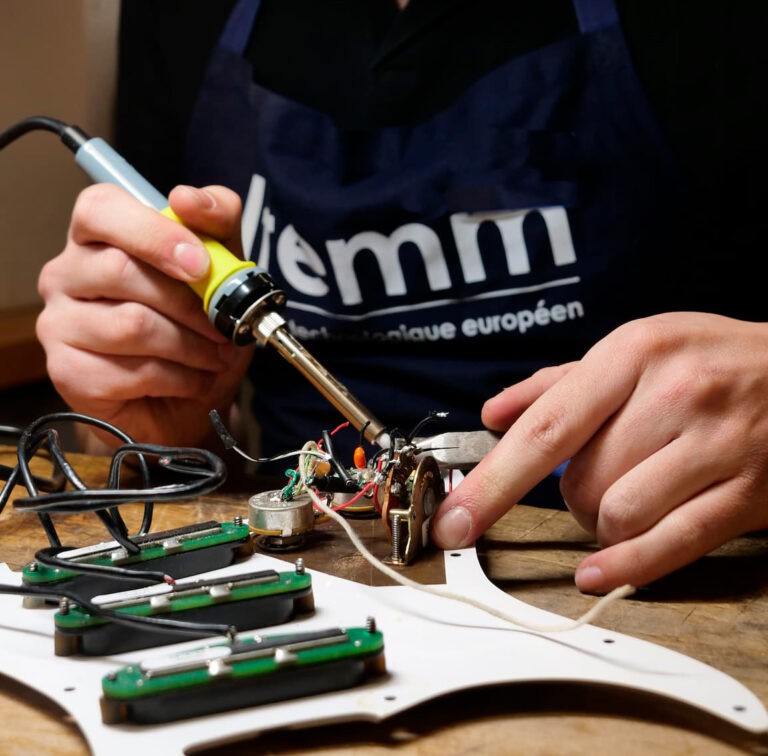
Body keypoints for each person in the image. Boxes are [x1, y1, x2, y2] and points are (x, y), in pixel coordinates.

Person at [36, 0, 768, 594]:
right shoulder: (180, 14)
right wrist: (151, 428)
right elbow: (162, 435)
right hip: (318, 574)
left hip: (664, 577)